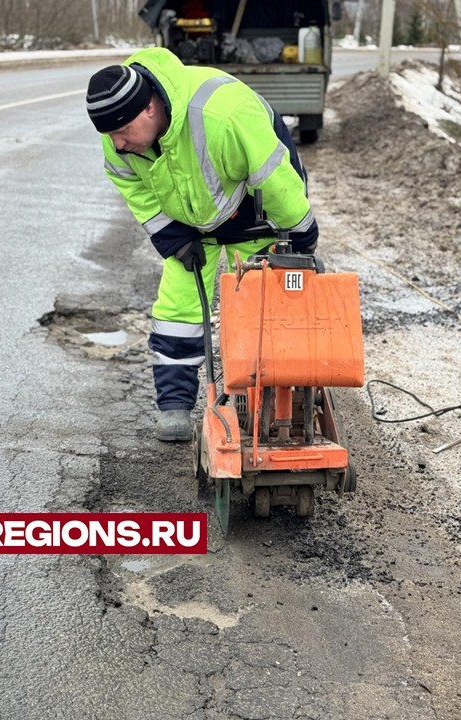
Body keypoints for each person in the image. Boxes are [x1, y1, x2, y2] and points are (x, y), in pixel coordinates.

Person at [86, 47, 318, 443]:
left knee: (261, 304)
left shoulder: (222, 113)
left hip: (256, 216)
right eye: (110, 136)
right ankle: (175, 405)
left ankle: (265, 396)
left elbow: (275, 177)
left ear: (148, 110)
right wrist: (172, 236)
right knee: (177, 307)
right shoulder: (118, 138)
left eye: (122, 133)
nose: (119, 144)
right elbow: (134, 188)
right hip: (191, 226)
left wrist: (300, 233)